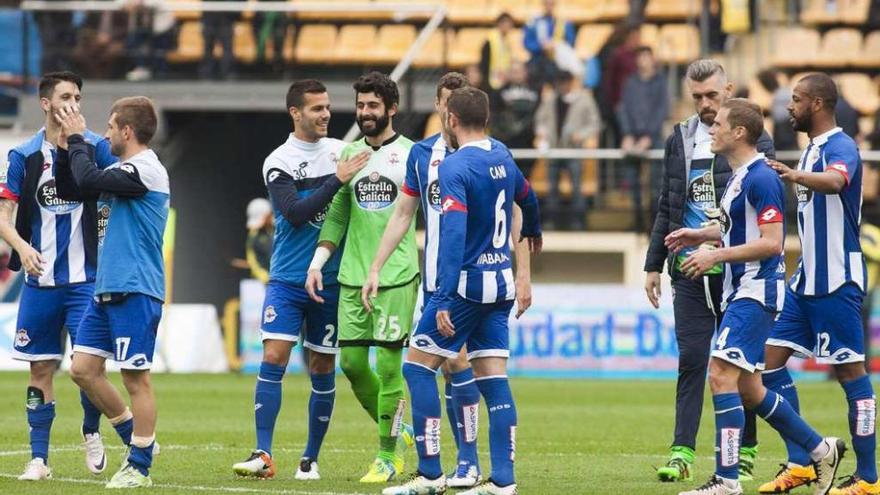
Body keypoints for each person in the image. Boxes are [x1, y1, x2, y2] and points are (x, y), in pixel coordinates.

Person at [362, 72, 534, 489]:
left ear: (456, 114)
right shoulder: (425, 155)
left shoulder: (464, 162)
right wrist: (375, 266)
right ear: (441, 106)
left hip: (456, 284)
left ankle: (444, 469)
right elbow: (403, 214)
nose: (448, 106)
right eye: (445, 99)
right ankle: (498, 479)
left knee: (423, 368)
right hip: (481, 281)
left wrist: (524, 269)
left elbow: (508, 214)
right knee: (486, 374)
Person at [668, 98, 845, 495]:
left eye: (719, 124)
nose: (711, 129)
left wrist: (715, 255)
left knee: (719, 374)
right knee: (749, 388)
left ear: (740, 133)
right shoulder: (738, 177)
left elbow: (771, 243)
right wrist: (701, 235)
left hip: (755, 292)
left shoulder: (761, 178)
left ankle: (726, 480)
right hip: (741, 291)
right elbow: (740, 230)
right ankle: (821, 448)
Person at [231, 80, 370, 480]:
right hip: (289, 278)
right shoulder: (279, 160)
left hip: (331, 280)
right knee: (273, 355)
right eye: (316, 109)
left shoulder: (342, 152)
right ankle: (263, 453)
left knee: (322, 365)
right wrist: (337, 179)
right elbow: (294, 212)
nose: (326, 114)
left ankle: (309, 458)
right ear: (295, 113)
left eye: (327, 107)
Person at [644, 60, 774, 483]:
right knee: (693, 358)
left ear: (729, 90)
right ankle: (681, 451)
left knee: (740, 366)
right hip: (688, 270)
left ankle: (747, 448)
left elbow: (765, 210)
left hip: (736, 272)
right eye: (697, 96)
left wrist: (719, 248)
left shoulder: (750, 138)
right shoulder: (679, 138)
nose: (704, 104)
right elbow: (669, 201)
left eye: (712, 96)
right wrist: (653, 263)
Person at [758, 73, 878, 495]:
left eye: (796, 100)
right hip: (806, 278)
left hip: (837, 281)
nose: (789, 107)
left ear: (818, 104)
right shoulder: (811, 148)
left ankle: (868, 477)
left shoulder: (841, 146)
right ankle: (805, 459)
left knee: (851, 374)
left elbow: (837, 181)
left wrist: (794, 176)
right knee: (765, 364)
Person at [0, 71, 114, 481]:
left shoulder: (98, 148)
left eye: (78, 97)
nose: (74, 105)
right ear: (45, 103)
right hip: (40, 282)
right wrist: (22, 246)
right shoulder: (24, 155)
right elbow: (4, 217)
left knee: (88, 368)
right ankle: (39, 460)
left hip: (88, 280)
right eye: (66, 96)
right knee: (39, 370)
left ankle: (91, 430)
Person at [305, 71, 417, 483]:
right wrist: (318, 262)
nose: (365, 112)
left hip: (396, 277)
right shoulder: (350, 152)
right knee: (351, 365)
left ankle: (387, 456)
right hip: (352, 277)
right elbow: (337, 214)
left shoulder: (412, 154)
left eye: (373, 106)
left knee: (390, 369)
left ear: (391, 109)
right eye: (361, 105)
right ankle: (401, 429)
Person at [55, 96, 168, 488]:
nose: (103, 133)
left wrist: (77, 140)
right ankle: (134, 437)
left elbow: (87, 178)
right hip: (107, 287)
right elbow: (73, 186)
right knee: (82, 369)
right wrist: (63, 144)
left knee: (136, 379)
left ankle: (139, 466)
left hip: (136, 287)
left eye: (109, 126)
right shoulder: (120, 170)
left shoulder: (146, 171)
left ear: (126, 130)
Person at [534, 70, 601, 230]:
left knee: (577, 186)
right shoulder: (550, 100)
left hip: (574, 150)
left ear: (570, 82)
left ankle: (578, 222)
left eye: (564, 82)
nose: (562, 86)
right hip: (554, 149)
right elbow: (539, 120)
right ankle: (551, 221)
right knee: (552, 187)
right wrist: (542, 132)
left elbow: (595, 123)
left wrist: (581, 135)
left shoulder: (584, 100)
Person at [618, 45, 668, 225]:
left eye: (646, 56)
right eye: (640, 57)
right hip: (633, 137)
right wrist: (628, 134)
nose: (643, 60)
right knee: (633, 182)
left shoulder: (660, 82)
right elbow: (624, 109)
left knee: (656, 184)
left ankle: (654, 223)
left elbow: (662, 110)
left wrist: (649, 136)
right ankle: (637, 221)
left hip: (653, 138)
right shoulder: (630, 82)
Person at [489, 61, 539, 178]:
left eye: (519, 71)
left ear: (525, 72)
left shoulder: (536, 90)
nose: (516, 75)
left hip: (528, 143)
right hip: (507, 143)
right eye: (513, 72)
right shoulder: (499, 92)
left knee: (525, 180)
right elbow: (494, 116)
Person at [523, 0, 576, 88]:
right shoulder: (533, 22)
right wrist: (541, 46)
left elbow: (570, 42)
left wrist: (556, 45)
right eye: (547, 3)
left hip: (557, 63)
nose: (549, 6)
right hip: (537, 62)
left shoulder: (564, 23)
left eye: (551, 3)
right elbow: (527, 42)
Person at [480, 12, 517, 91]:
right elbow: (485, 62)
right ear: (500, 24)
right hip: (491, 79)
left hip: (503, 78)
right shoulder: (490, 41)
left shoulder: (506, 41)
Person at [244, 197, 273, 284]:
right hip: (268, 281)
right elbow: (252, 260)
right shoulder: (254, 235)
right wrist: (265, 277)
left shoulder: (279, 228)